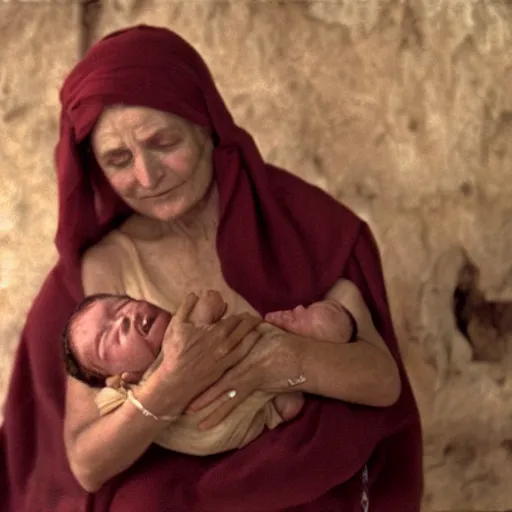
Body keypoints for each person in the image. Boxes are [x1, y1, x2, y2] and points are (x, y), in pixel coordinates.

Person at [0, 25, 423, 512]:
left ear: (206, 121)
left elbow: (382, 383)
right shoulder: (105, 269)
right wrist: (170, 384)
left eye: (163, 142)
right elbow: (88, 462)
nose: (147, 175)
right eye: (118, 159)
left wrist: (280, 360)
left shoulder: (306, 227)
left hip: (314, 487)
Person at [62, 283, 391, 456]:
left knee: (287, 386)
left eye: (121, 306)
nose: (124, 320)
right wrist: (202, 306)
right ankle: (331, 325)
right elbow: (212, 305)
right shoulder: (142, 390)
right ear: (122, 378)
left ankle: (276, 407)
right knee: (323, 323)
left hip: (246, 419)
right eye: (109, 338)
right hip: (230, 417)